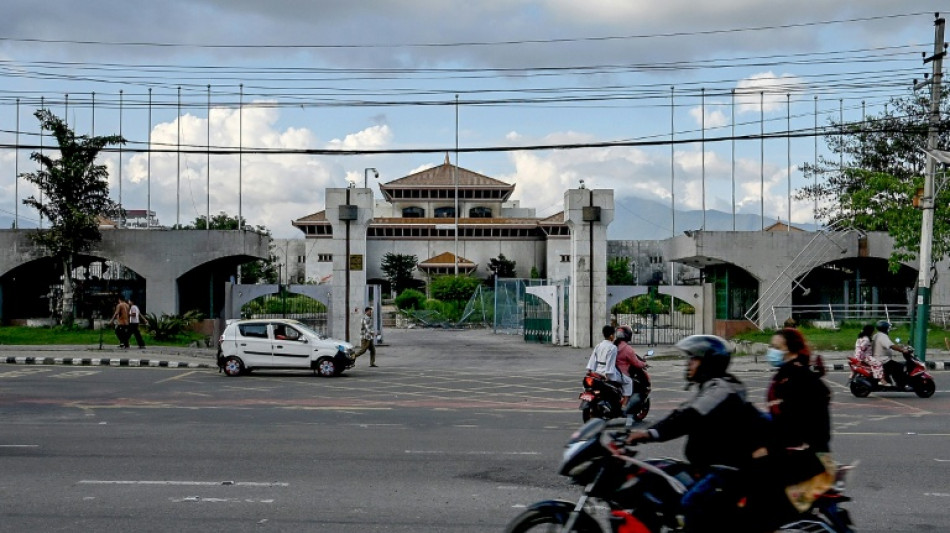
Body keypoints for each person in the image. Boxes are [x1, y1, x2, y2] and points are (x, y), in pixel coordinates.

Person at [626, 335, 768, 532]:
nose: (689, 364)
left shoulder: (722, 389)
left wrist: (648, 435)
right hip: (708, 466)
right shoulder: (712, 386)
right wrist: (647, 432)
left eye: (694, 359)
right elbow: (680, 413)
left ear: (709, 362)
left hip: (726, 471)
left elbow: (688, 417)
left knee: (689, 507)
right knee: (661, 478)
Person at [760, 327, 834, 523]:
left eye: (777, 347)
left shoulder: (795, 377)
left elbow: (792, 422)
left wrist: (768, 448)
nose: (771, 351)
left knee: (766, 511)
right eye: (771, 346)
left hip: (805, 458)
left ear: (790, 350)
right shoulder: (788, 374)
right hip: (804, 454)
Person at [614, 325, 645, 408]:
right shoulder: (627, 348)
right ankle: (624, 404)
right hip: (621, 372)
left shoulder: (614, 345)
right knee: (629, 382)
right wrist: (644, 364)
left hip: (610, 371)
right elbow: (636, 363)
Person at [872, 320, 910, 386]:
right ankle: (901, 384)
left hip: (878, 358)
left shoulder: (876, 335)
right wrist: (902, 350)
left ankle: (888, 380)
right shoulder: (883, 336)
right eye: (888, 328)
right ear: (885, 328)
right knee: (899, 367)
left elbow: (889, 345)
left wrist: (899, 347)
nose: (889, 330)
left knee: (894, 366)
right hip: (883, 360)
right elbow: (891, 345)